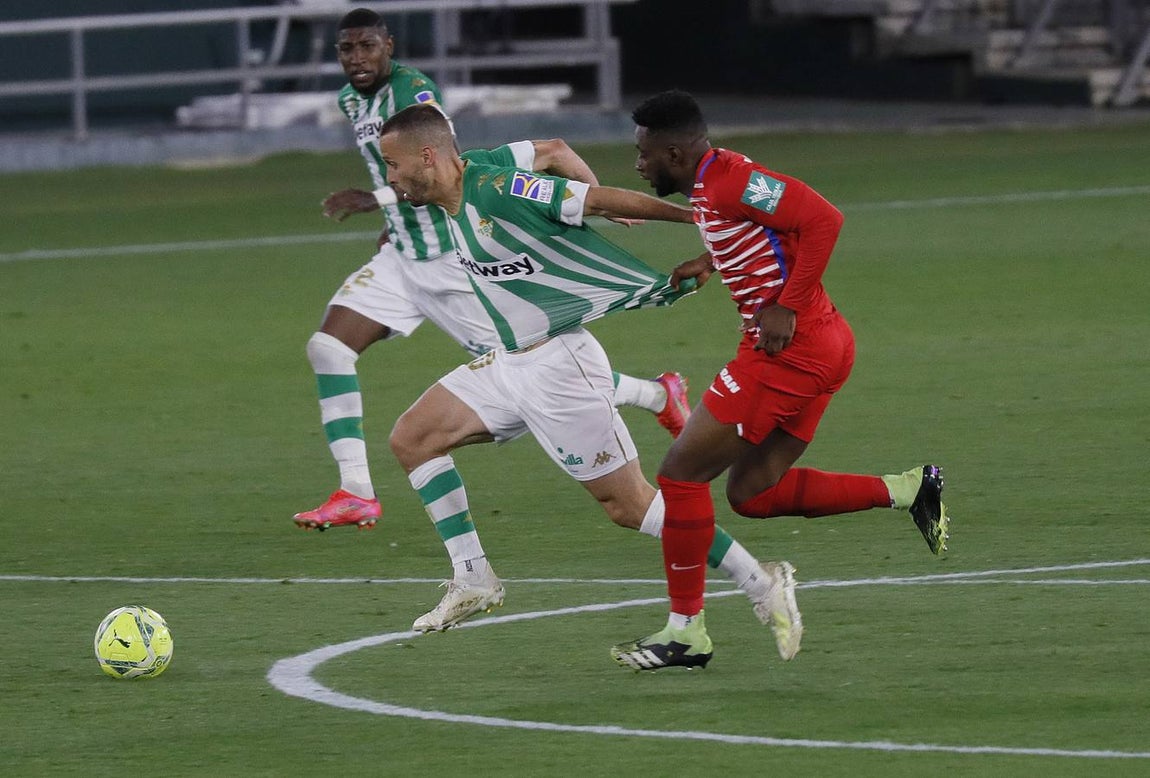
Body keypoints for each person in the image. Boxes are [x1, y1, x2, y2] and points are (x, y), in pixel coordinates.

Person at [334, 103, 803, 644]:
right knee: (413, 438)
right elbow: (551, 149)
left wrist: (697, 219)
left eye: (392, 166)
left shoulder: (499, 190)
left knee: (629, 506)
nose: (390, 179)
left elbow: (594, 201)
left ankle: (760, 580)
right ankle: (473, 577)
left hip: (560, 366)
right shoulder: (468, 172)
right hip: (509, 362)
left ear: (427, 156)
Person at [293, 8, 691, 532]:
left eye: (368, 46)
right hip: (402, 256)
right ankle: (356, 492)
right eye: (347, 49)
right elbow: (405, 169)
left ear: (389, 45)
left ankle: (657, 395)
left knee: (526, 366)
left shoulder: (413, 92)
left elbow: (443, 162)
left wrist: (378, 197)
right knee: (329, 347)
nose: (358, 58)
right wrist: (394, 214)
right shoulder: (350, 100)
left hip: (453, 259)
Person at [610, 90, 951, 671]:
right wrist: (711, 262)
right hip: (821, 345)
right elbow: (758, 232)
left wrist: (785, 305)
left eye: (644, 154)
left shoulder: (731, 182)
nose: (639, 165)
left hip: (787, 352)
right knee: (752, 494)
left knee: (679, 476)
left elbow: (822, 219)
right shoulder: (719, 179)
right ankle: (907, 489)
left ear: (673, 150)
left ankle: (686, 632)